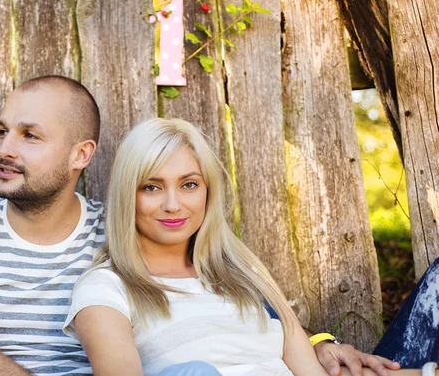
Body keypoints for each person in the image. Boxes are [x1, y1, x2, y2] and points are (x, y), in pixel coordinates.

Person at [0, 76, 400, 376]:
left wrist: (316, 344)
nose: (6, 149)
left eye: (30, 136)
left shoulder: (124, 227)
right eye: (4, 131)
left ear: (81, 155)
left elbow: (217, 285)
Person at [62, 118, 439, 376]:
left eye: (189, 184)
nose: (173, 204)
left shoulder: (243, 275)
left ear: (208, 192)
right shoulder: (105, 288)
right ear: (129, 195)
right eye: (151, 186)